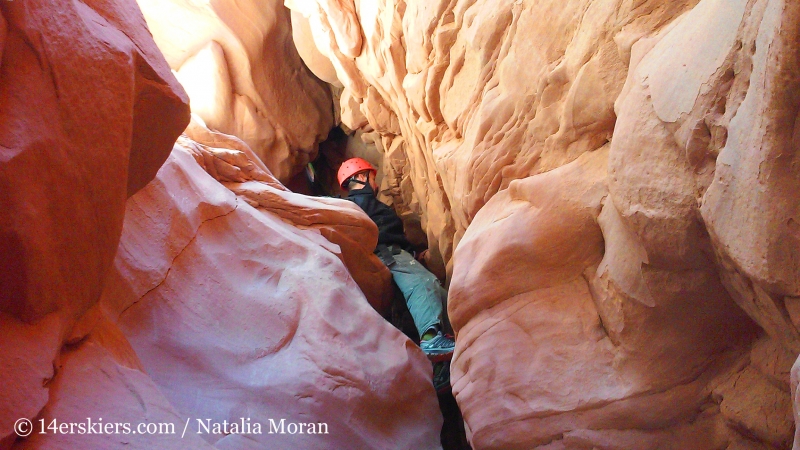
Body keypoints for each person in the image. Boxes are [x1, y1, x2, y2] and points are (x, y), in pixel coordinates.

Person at [338, 158, 456, 365]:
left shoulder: (358, 205)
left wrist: (412, 254)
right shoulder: (352, 204)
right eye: (372, 179)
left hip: (392, 257)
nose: (375, 185)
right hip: (388, 254)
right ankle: (432, 340)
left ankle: (440, 366)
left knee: (440, 296)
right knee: (424, 284)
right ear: (359, 177)